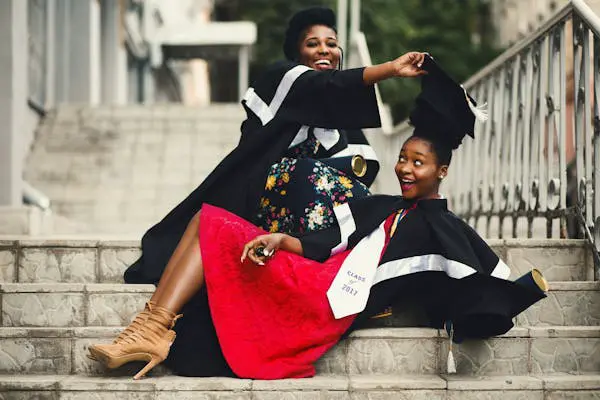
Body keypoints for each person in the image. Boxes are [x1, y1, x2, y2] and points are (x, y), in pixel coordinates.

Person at [88, 55, 546, 380]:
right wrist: (283, 241)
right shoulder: (385, 205)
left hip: (324, 300)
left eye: (419, 163)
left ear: (442, 171)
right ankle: (150, 329)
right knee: (209, 219)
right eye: (403, 158)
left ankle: (151, 330)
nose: (405, 168)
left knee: (211, 226)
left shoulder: (440, 226)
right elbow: (330, 239)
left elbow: (474, 281)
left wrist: (523, 292)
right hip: (312, 273)